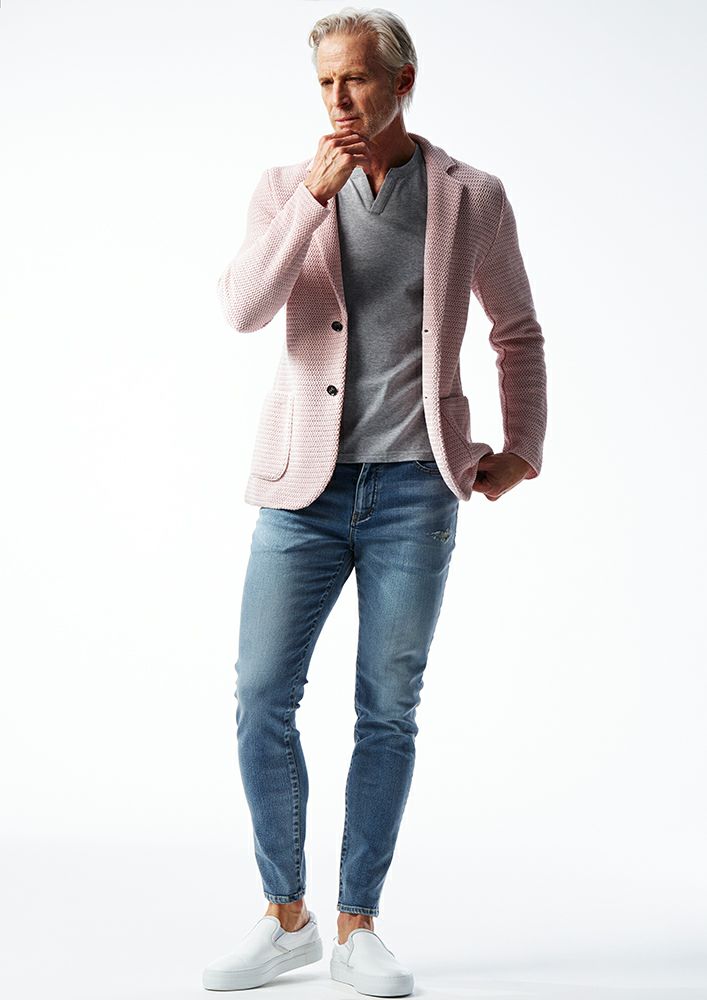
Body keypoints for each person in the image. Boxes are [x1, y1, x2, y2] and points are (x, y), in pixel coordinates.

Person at [203, 7, 547, 996]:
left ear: (403, 80)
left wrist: (521, 448)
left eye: (354, 78)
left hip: (412, 490)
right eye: (324, 82)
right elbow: (241, 308)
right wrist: (311, 202)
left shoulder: (469, 196)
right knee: (261, 697)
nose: (338, 100)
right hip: (300, 489)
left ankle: (357, 924)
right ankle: (286, 917)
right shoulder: (284, 187)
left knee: (386, 711)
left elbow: (516, 330)